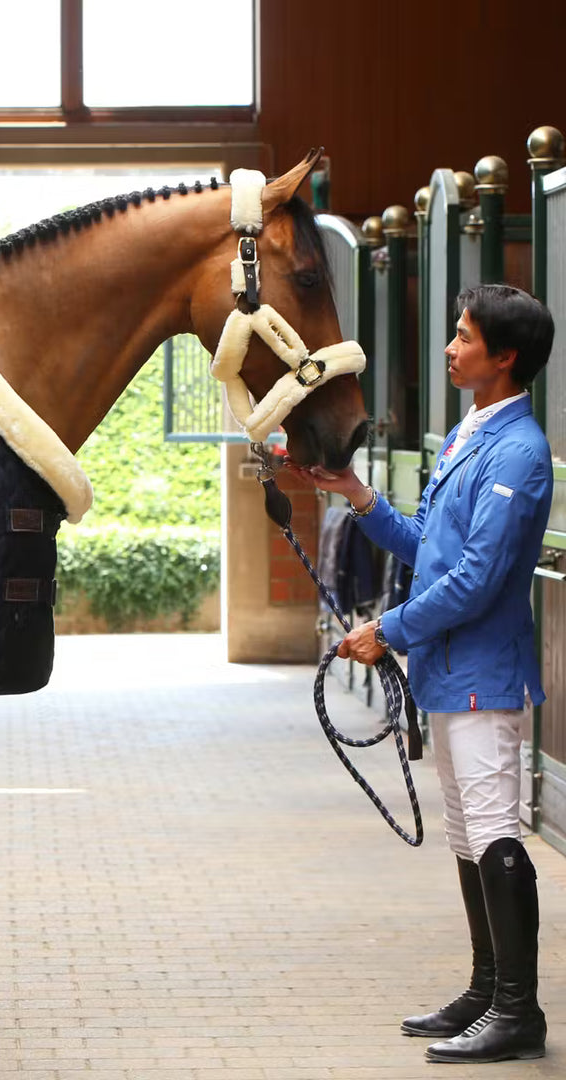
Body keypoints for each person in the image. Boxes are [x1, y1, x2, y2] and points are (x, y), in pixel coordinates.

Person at [292, 284, 554, 1065]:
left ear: (503, 358)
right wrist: (358, 497)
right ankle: (486, 990)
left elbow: (476, 578)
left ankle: (519, 1010)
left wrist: (388, 630)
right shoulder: (471, 433)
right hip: (449, 668)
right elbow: (429, 548)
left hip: (483, 672)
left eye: (464, 337)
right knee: (468, 834)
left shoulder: (519, 452)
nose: (450, 347)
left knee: (496, 831)